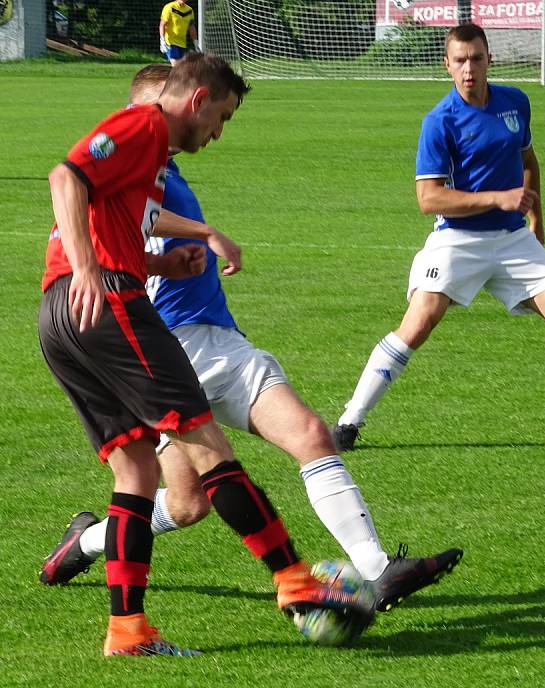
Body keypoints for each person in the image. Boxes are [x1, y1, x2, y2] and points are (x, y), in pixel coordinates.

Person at [40, 63, 463, 617]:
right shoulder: (143, 132)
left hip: (80, 323)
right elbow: (66, 177)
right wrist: (96, 269)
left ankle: (121, 615)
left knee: (164, 490)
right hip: (141, 322)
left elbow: (122, 225)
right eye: (221, 116)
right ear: (191, 100)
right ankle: (300, 578)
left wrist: (169, 254)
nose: (218, 133)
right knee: (233, 454)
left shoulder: (148, 178)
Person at [333, 22, 545, 453]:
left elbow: (528, 160)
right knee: (417, 324)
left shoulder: (515, 102)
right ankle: (349, 421)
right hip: (457, 239)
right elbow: (428, 198)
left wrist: (537, 224)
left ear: (489, 59)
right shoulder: (440, 121)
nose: (468, 68)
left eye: (476, 58)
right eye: (460, 61)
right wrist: (499, 198)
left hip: (514, 240)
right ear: (448, 65)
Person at [159, 0, 200, 65]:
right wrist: (162, 40)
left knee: (181, 68)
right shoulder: (169, 7)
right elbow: (162, 24)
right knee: (176, 66)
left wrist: (195, 42)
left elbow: (191, 27)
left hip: (182, 43)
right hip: (170, 42)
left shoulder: (189, 10)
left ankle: (168, 77)